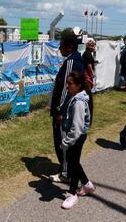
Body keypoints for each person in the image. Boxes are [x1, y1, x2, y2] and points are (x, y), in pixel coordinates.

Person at [49, 31, 84, 183]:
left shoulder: (71, 61)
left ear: (69, 47)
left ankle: (65, 173)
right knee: (63, 143)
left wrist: (59, 110)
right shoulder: (74, 59)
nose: (59, 49)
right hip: (66, 111)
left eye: (61, 46)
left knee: (62, 143)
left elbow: (66, 89)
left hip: (63, 113)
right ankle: (66, 170)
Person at [60, 71, 95, 209]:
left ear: (79, 85)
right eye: (67, 83)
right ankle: (86, 184)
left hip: (76, 137)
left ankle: (72, 193)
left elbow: (77, 127)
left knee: (73, 164)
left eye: (70, 84)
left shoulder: (79, 102)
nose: (67, 86)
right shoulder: (76, 98)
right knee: (73, 161)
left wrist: (65, 142)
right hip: (76, 137)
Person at [82, 40, 97, 125]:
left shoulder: (88, 53)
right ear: (88, 46)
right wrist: (92, 73)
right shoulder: (87, 54)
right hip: (87, 75)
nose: (93, 47)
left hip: (88, 75)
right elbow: (88, 65)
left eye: (93, 46)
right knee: (87, 93)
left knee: (88, 91)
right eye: (91, 46)